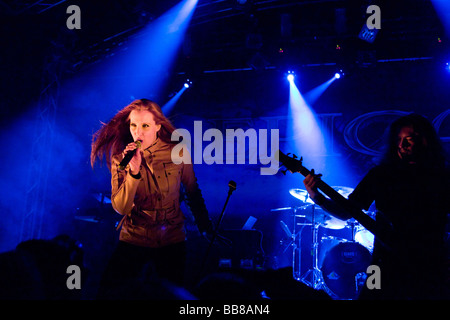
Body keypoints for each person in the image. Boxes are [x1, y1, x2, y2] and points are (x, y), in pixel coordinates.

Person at [303, 113, 449, 299]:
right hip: (385, 262)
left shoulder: (442, 177)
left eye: (409, 139)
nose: (402, 145)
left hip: (430, 262)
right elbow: (346, 212)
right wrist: (316, 196)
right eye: (398, 139)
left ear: (425, 141)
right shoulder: (381, 175)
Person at [90, 98, 214, 298]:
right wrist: (134, 172)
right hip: (134, 235)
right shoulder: (121, 160)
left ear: (158, 126)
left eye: (145, 126)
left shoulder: (178, 152)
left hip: (171, 237)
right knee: (109, 292)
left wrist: (205, 226)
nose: (138, 132)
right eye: (133, 126)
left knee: (171, 294)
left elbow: (192, 190)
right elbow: (120, 207)